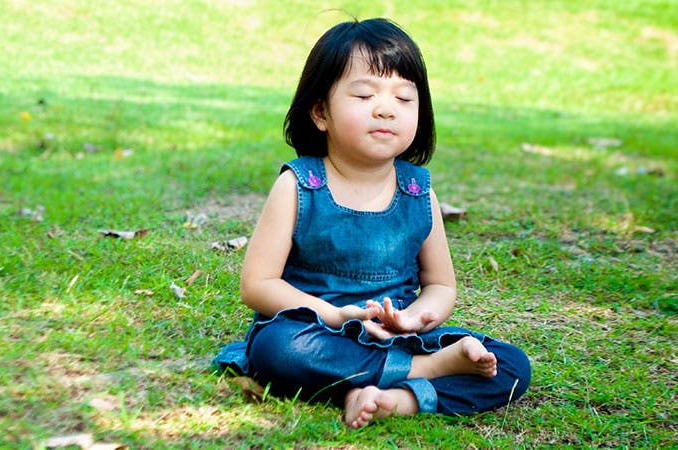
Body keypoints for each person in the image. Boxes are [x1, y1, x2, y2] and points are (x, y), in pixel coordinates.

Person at [214, 17, 530, 428]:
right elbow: (257, 285)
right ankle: (423, 373)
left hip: (397, 335)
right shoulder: (300, 185)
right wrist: (334, 315)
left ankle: (391, 398)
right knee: (278, 350)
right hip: (317, 330)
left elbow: (440, 285)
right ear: (320, 112)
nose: (385, 108)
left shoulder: (418, 193)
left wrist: (416, 318)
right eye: (364, 95)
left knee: (510, 365)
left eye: (404, 99)